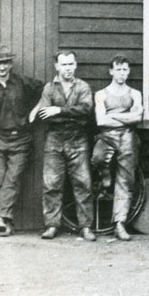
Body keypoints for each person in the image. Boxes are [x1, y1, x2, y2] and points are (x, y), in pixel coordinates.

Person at [0, 44, 44, 237]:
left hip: (21, 139)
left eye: (5, 63)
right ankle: (5, 222)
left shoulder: (23, 82)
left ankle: (0, 219)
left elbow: (46, 89)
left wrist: (35, 110)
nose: (2, 67)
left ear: (11, 64)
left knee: (12, 178)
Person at [31, 50, 96, 241]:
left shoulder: (83, 87)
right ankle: (52, 225)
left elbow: (85, 110)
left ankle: (85, 227)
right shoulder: (49, 88)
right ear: (57, 67)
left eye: (70, 64)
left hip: (78, 138)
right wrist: (67, 114)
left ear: (75, 65)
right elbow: (44, 112)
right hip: (54, 138)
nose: (67, 68)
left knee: (83, 184)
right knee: (51, 184)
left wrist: (59, 110)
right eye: (64, 65)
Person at [92, 55, 143, 242]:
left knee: (125, 180)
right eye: (118, 69)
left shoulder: (134, 94)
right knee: (97, 158)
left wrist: (113, 117)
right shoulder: (101, 94)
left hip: (128, 136)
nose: (122, 73)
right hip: (106, 136)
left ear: (128, 71)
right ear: (111, 71)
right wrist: (125, 116)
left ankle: (119, 224)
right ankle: (105, 177)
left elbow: (137, 118)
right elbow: (100, 120)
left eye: (125, 70)